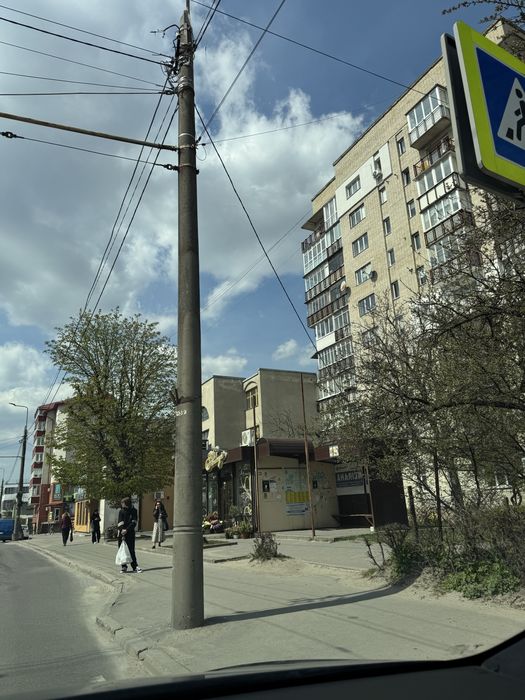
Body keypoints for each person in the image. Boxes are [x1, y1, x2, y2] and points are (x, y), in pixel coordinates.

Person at [117, 497, 141, 573]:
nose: (121, 504)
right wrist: (122, 530)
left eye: (123, 503)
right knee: (122, 550)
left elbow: (134, 522)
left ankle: (135, 566)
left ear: (126, 503)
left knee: (131, 550)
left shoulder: (134, 511)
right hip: (122, 534)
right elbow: (119, 522)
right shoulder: (121, 511)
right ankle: (124, 567)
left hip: (130, 533)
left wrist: (127, 530)